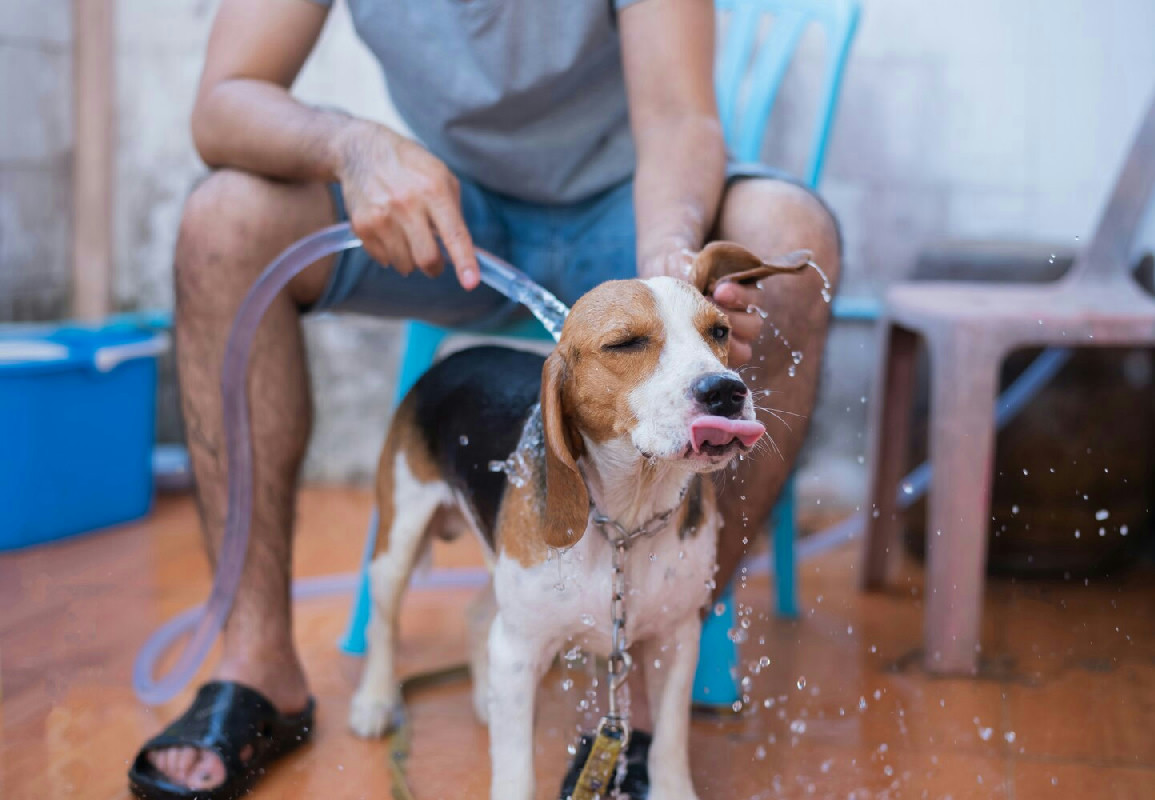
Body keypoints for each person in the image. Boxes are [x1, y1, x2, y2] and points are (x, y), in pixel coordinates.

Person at [127, 0, 842, 798]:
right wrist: (354, 146)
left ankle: (643, 688)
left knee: (789, 223)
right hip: (454, 213)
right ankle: (258, 665)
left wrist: (668, 263)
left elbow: (679, 114)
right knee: (222, 221)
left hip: (631, 201)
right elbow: (224, 101)